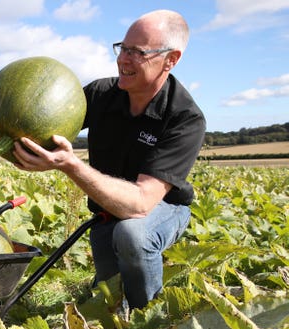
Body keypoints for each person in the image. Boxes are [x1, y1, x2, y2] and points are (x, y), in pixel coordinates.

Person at [11, 9, 206, 310]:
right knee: (110, 300)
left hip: (161, 208)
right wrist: (7, 114)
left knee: (132, 235)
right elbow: (41, 127)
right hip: (107, 211)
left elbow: (141, 204)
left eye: (138, 52)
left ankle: (149, 326)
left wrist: (72, 165)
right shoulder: (101, 94)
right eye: (123, 48)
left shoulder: (184, 118)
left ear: (171, 59)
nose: (123, 60)